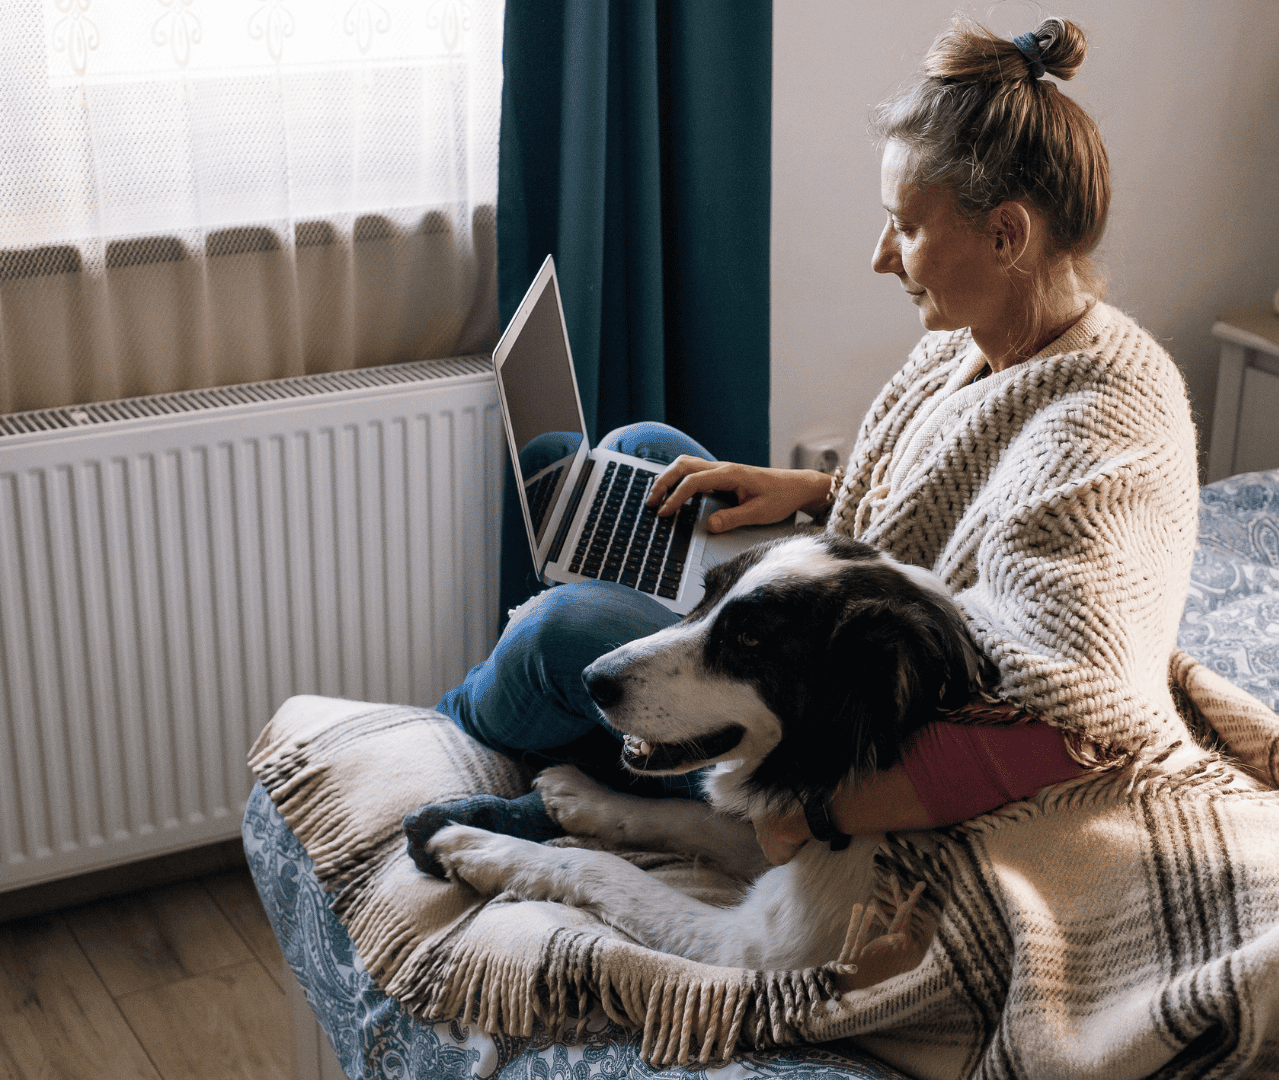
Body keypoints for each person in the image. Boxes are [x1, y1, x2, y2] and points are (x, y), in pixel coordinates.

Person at [407, 15, 1201, 873]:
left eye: (906, 227)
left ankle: (439, 739)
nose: (881, 257)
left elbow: (1078, 722)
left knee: (560, 631)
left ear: (1006, 235)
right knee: (646, 450)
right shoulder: (986, 336)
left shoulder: (1104, 430)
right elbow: (964, 506)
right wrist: (816, 493)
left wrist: (815, 814)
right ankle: (576, 740)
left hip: (857, 740)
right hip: (845, 641)